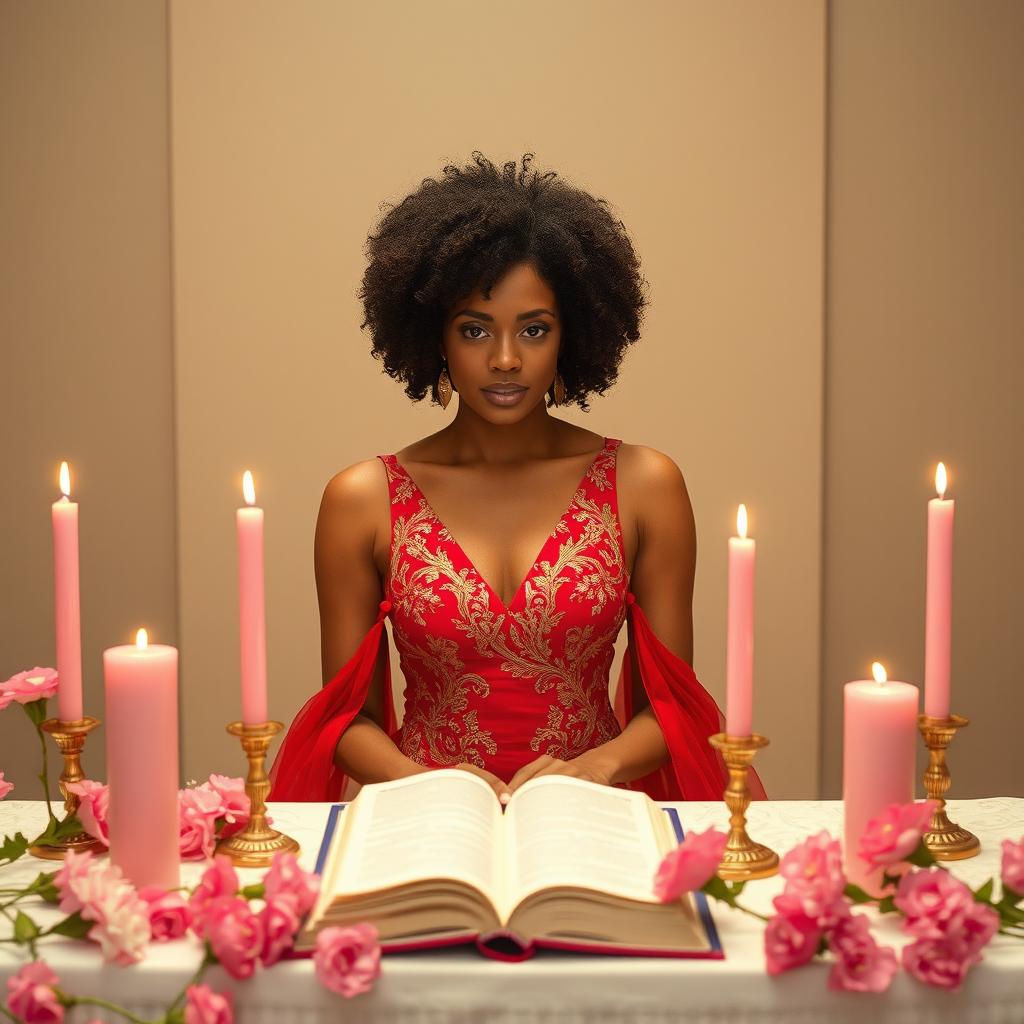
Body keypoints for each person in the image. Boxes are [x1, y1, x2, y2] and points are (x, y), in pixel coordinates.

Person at [268, 152, 765, 804]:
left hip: (590, 816)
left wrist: (598, 769)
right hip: (430, 822)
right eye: (475, 330)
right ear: (434, 339)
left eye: (534, 329)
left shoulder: (644, 484)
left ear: (572, 337)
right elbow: (343, 721)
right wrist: (425, 789)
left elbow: (672, 710)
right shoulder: (362, 501)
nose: (505, 360)